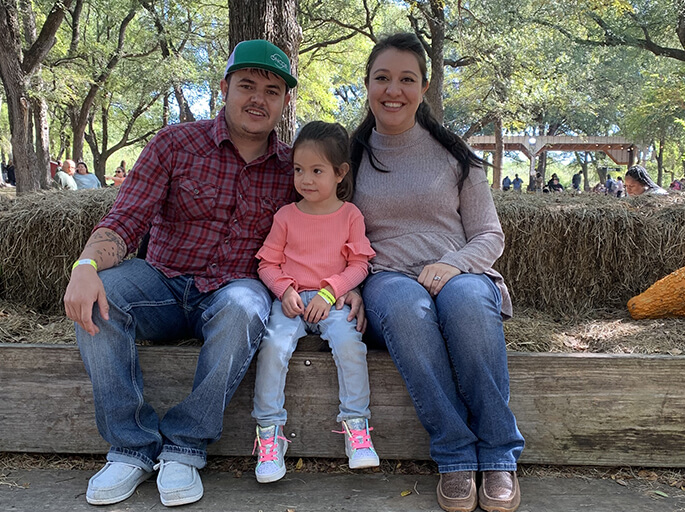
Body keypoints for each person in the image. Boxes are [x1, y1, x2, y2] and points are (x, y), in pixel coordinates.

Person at [63, 39, 301, 507]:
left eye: (272, 90)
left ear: (285, 101)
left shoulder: (293, 168)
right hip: (162, 281)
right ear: (224, 88)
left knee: (246, 307)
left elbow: (322, 232)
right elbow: (126, 218)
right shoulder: (175, 143)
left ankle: (185, 446)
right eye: (247, 85)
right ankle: (130, 448)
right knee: (101, 295)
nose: (258, 98)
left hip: (233, 287)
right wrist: (86, 264)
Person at [350, 33, 524, 512]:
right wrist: (348, 284)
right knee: (408, 308)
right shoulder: (350, 156)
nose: (393, 90)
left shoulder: (454, 154)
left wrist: (454, 264)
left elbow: (490, 235)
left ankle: (498, 452)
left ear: (423, 88)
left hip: (458, 272)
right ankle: (453, 455)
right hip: (386, 280)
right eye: (382, 78)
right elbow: (328, 230)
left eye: (407, 79)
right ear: (366, 85)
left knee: (467, 303)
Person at [251, 121, 378, 483]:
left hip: (331, 300)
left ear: (340, 173)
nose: (305, 179)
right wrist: (284, 291)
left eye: (317, 170)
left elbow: (359, 264)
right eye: (298, 170)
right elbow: (267, 263)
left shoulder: (350, 215)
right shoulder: (286, 216)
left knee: (350, 343)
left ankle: (357, 427)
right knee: (273, 345)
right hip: (291, 301)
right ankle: (269, 434)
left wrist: (330, 291)